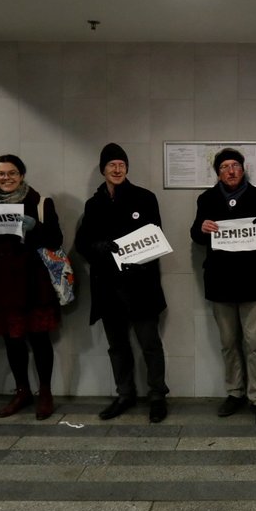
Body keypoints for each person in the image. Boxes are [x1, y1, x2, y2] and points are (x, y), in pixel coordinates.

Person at [76, 143, 169, 423]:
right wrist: (101, 248)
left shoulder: (145, 198)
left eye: (121, 165)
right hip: (108, 288)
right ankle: (124, 394)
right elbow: (83, 244)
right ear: (103, 169)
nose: (117, 170)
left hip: (141, 286)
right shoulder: (93, 205)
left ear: (127, 168)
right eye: (111, 165)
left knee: (150, 344)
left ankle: (157, 396)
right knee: (117, 346)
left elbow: (155, 237)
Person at [190, 148, 256, 428]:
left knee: (255, 343)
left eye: (236, 166)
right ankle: (234, 392)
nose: (231, 171)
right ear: (217, 172)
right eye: (225, 167)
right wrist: (202, 229)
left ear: (243, 169)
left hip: (252, 281)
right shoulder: (206, 199)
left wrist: (255, 229)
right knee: (229, 343)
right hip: (220, 281)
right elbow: (195, 234)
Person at [0, 155, 62, 420]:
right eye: (1, 174)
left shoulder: (40, 203)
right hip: (2, 284)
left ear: (22, 175)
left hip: (33, 282)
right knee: (12, 341)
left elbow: (55, 239)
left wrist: (34, 227)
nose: (6, 178)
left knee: (39, 340)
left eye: (12, 173)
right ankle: (22, 391)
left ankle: (45, 393)